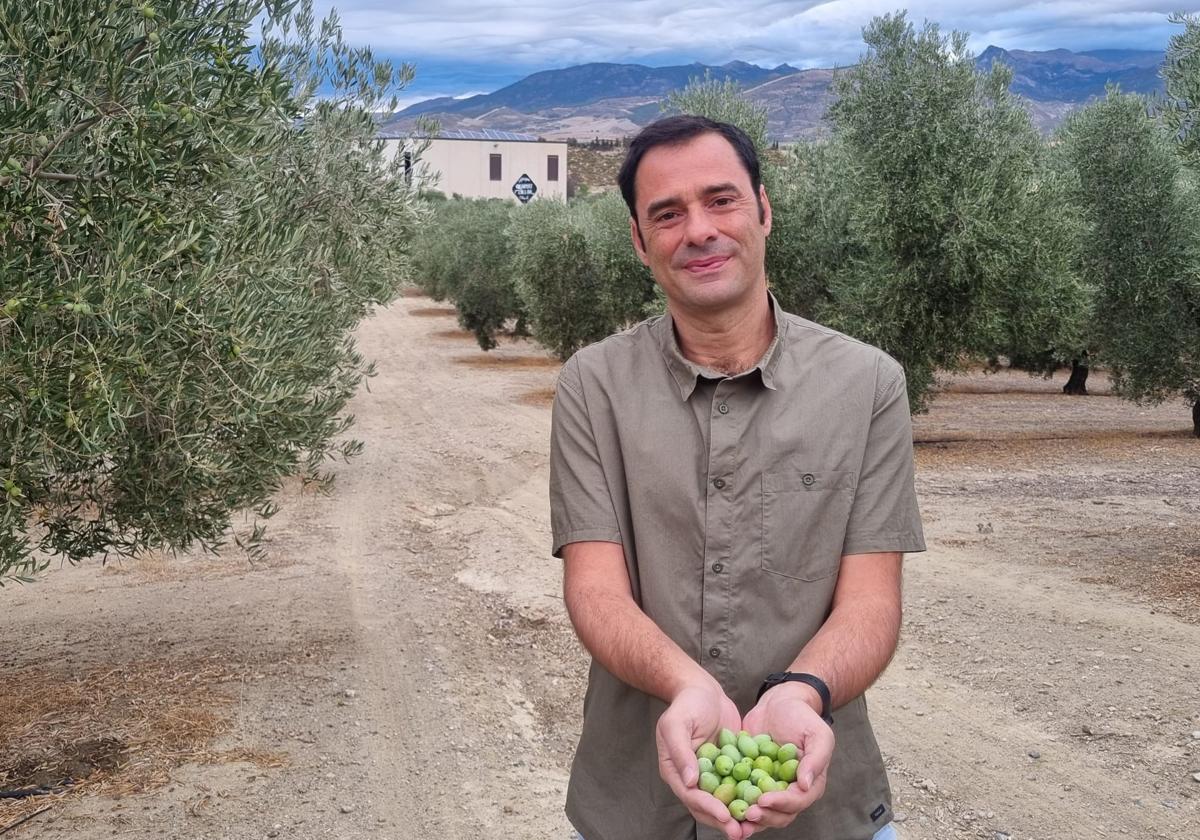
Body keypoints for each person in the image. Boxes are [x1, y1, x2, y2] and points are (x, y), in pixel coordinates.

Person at [549, 115, 925, 840]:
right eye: (667, 213)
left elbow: (872, 603)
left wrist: (801, 695)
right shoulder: (592, 387)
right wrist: (687, 685)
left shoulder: (868, 384)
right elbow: (594, 589)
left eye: (721, 200)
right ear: (638, 240)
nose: (698, 230)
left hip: (827, 811)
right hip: (632, 808)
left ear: (763, 210)